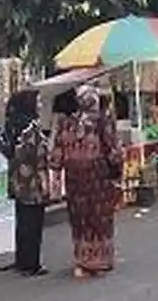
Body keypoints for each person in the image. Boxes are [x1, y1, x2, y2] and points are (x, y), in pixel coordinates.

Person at [48, 85, 121, 278]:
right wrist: (117, 172)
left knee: (80, 218)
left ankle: (83, 261)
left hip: (74, 179)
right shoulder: (102, 121)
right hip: (98, 177)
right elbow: (113, 151)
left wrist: (56, 176)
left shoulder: (67, 123)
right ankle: (101, 261)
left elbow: (56, 154)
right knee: (99, 217)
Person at [0, 90, 49, 276]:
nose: (40, 105)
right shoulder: (31, 127)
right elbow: (37, 153)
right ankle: (31, 263)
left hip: (17, 178)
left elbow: (1, 146)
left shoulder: (12, 125)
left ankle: (22, 260)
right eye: (37, 101)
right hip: (33, 179)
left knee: (23, 220)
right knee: (33, 222)